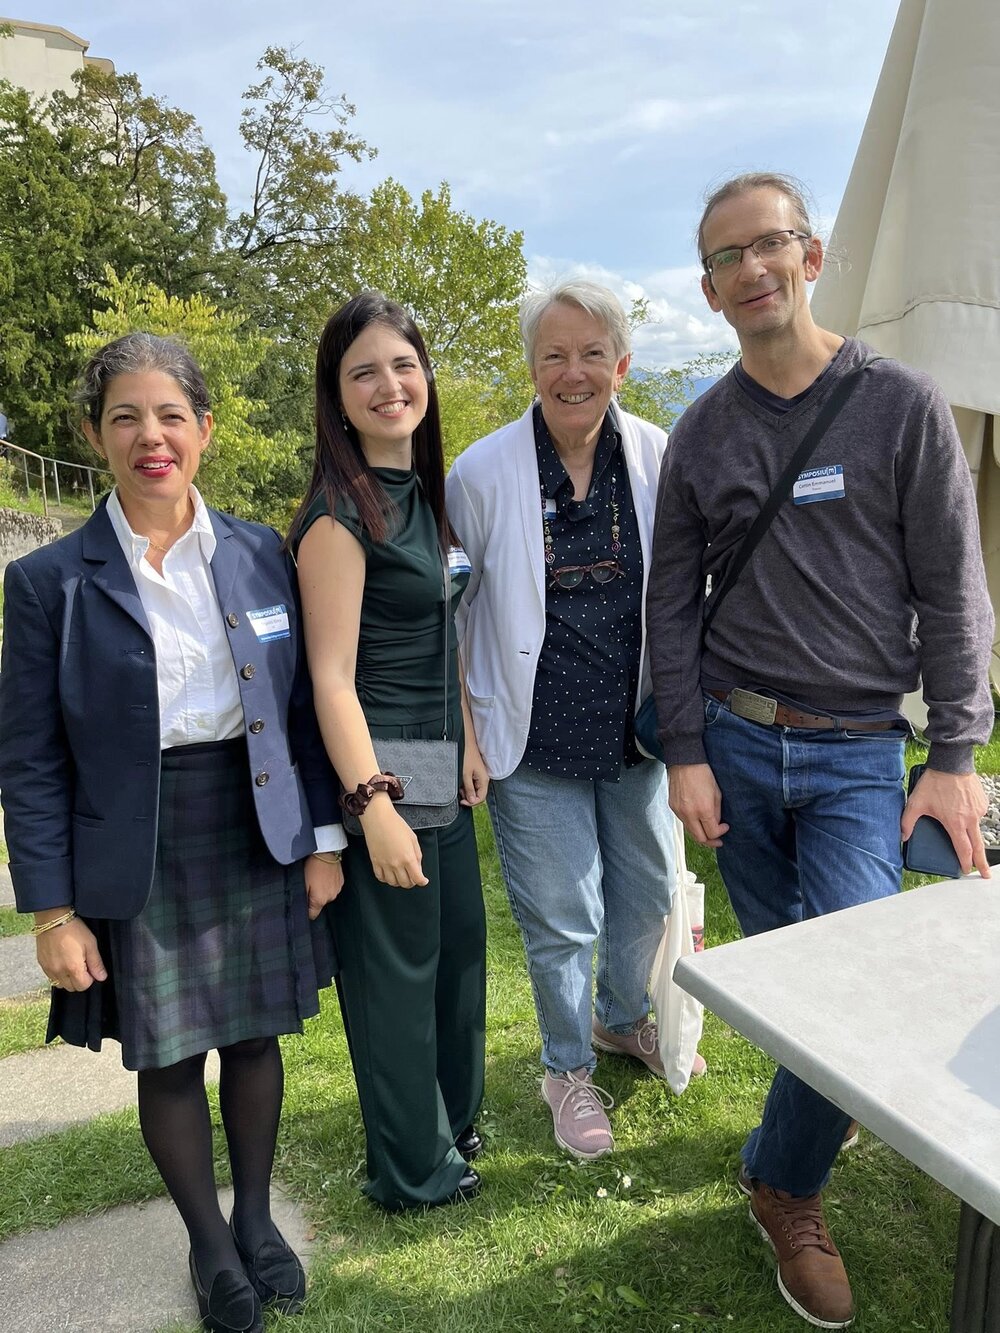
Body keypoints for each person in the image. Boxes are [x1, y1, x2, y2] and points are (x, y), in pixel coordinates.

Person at [646, 172, 994, 1329]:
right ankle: (799, 1141)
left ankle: (781, 1182)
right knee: (797, 996)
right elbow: (669, 606)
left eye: (770, 245)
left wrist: (954, 754)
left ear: (813, 253)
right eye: (727, 258)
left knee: (846, 1003)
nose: (752, 269)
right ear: (707, 290)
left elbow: (953, 590)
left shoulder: (898, 405)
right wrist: (685, 749)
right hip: (735, 753)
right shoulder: (701, 430)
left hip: (856, 755)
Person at [0, 333, 345, 1333]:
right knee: (166, 1055)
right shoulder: (48, 583)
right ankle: (207, 1241)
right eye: (124, 417)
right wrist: (54, 908)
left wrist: (320, 837)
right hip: (134, 843)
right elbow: (28, 759)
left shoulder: (256, 550)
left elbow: (292, 707)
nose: (150, 437)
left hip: (250, 820)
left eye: (169, 416)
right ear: (93, 434)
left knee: (252, 1036)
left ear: (204, 427)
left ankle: (258, 1218)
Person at [446, 279, 703, 1163]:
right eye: (554, 354)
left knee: (644, 899)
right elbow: (451, 610)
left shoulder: (662, 457)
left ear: (622, 365)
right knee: (564, 915)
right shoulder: (481, 472)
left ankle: (620, 1018)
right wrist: (470, 738)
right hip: (531, 738)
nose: (573, 371)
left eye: (592, 353)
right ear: (531, 367)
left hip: (636, 737)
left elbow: (684, 596)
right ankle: (564, 1067)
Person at [288, 292, 487, 1212]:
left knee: (455, 955)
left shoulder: (423, 496)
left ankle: (454, 1116)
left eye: (403, 364)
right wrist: (371, 807)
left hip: (443, 763)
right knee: (398, 978)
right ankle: (414, 1168)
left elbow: (442, 628)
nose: (388, 384)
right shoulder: (339, 516)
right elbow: (331, 677)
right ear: (337, 394)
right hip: (386, 773)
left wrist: (472, 739)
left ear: (427, 376)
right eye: (362, 370)